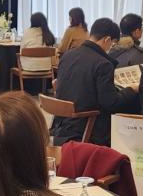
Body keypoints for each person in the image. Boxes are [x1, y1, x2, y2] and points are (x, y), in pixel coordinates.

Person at [52, 18, 137, 146]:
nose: (112, 48)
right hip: (88, 127)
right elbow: (111, 103)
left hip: (62, 126)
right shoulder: (103, 64)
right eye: (113, 44)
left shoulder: (68, 55)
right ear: (107, 40)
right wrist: (131, 90)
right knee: (131, 104)